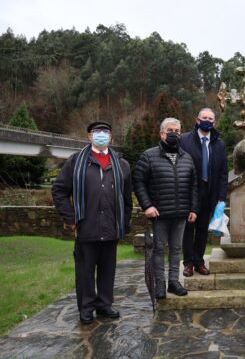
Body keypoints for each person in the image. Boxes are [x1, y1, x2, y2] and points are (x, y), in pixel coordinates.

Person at [52, 121, 132, 324]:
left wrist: (125, 221)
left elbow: (127, 198)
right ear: (89, 136)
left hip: (111, 226)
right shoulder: (76, 161)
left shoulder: (121, 164)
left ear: (111, 137)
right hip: (86, 226)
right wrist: (69, 218)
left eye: (106, 131)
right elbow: (59, 190)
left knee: (108, 270)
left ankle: (104, 305)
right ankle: (86, 307)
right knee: (85, 271)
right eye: (97, 132)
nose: (102, 135)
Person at [133, 118, 198, 298]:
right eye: (170, 130)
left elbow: (193, 185)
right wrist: (147, 206)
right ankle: (160, 284)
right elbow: (138, 182)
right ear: (161, 133)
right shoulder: (149, 156)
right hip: (159, 213)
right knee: (159, 249)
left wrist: (193, 209)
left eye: (177, 131)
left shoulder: (187, 157)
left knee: (177, 249)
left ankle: (173, 282)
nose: (174, 134)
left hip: (181, 213)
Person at [181, 108, 228, 276]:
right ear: (197, 120)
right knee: (188, 229)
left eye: (210, 118)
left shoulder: (219, 144)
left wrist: (221, 197)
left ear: (214, 123)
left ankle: (199, 261)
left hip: (210, 194)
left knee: (202, 230)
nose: (207, 120)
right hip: (189, 193)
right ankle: (188, 263)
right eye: (204, 117)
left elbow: (223, 173)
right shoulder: (185, 140)